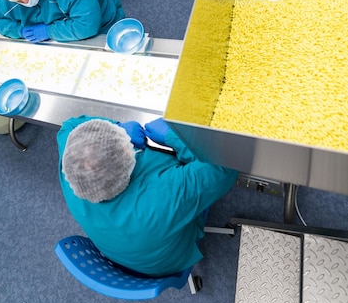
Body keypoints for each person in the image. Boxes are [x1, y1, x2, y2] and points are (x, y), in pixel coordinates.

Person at [57, 115, 238, 277]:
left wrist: (118, 126)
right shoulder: (165, 193)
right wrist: (174, 136)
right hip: (168, 261)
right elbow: (224, 166)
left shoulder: (73, 169)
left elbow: (69, 125)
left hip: (121, 256)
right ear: (126, 151)